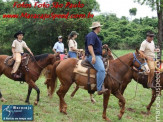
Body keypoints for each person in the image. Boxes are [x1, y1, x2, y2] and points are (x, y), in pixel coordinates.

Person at [85, 22, 108, 95]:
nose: (100, 28)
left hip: (97, 55)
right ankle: (99, 88)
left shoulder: (95, 36)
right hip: (93, 56)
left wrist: (102, 47)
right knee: (101, 70)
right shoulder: (92, 35)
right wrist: (93, 56)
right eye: (100, 27)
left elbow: (95, 47)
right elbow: (90, 46)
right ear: (97, 28)